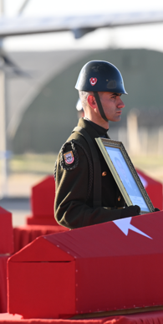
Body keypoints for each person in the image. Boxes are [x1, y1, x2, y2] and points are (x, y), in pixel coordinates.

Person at [54, 60, 142, 229]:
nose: (121, 104)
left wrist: (144, 215)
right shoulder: (77, 147)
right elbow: (67, 213)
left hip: (110, 244)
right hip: (91, 249)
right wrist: (125, 216)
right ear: (93, 102)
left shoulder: (104, 141)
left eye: (120, 97)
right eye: (113, 97)